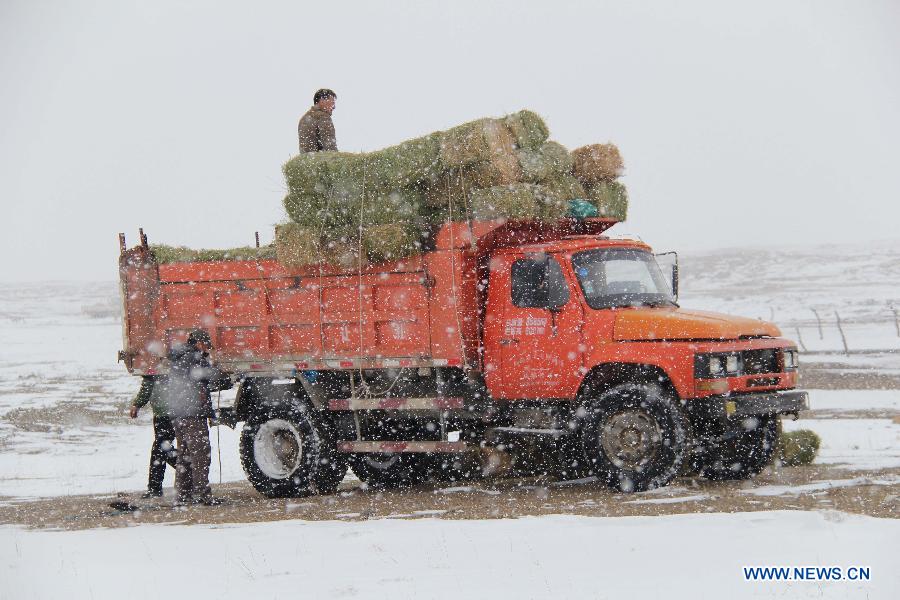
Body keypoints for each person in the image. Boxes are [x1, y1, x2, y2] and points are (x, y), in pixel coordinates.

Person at [165, 329, 230, 506]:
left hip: (178, 412)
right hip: (192, 413)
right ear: (199, 343)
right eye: (207, 346)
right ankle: (202, 494)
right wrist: (217, 366)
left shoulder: (179, 357)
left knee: (184, 455)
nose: (208, 349)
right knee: (201, 454)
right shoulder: (194, 358)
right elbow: (215, 379)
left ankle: (182, 495)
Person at [129, 375, 177, 498]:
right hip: (171, 411)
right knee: (160, 448)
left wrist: (137, 404)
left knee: (161, 449)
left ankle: (188, 468)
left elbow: (148, 384)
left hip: (165, 412)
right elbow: (148, 383)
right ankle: (155, 487)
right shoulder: (164, 363)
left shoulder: (155, 362)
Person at [297, 88, 338, 152]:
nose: (334, 107)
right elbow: (329, 145)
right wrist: (336, 159)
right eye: (332, 102)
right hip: (320, 160)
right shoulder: (323, 116)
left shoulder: (304, 118)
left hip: (307, 160)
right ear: (322, 101)